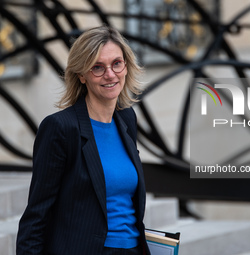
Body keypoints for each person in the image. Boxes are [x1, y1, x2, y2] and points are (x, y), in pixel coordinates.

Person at [16, 25, 151, 255]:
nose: (110, 74)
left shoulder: (127, 118)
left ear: (126, 67)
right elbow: (36, 214)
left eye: (116, 63)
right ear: (81, 75)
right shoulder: (60, 128)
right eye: (97, 67)